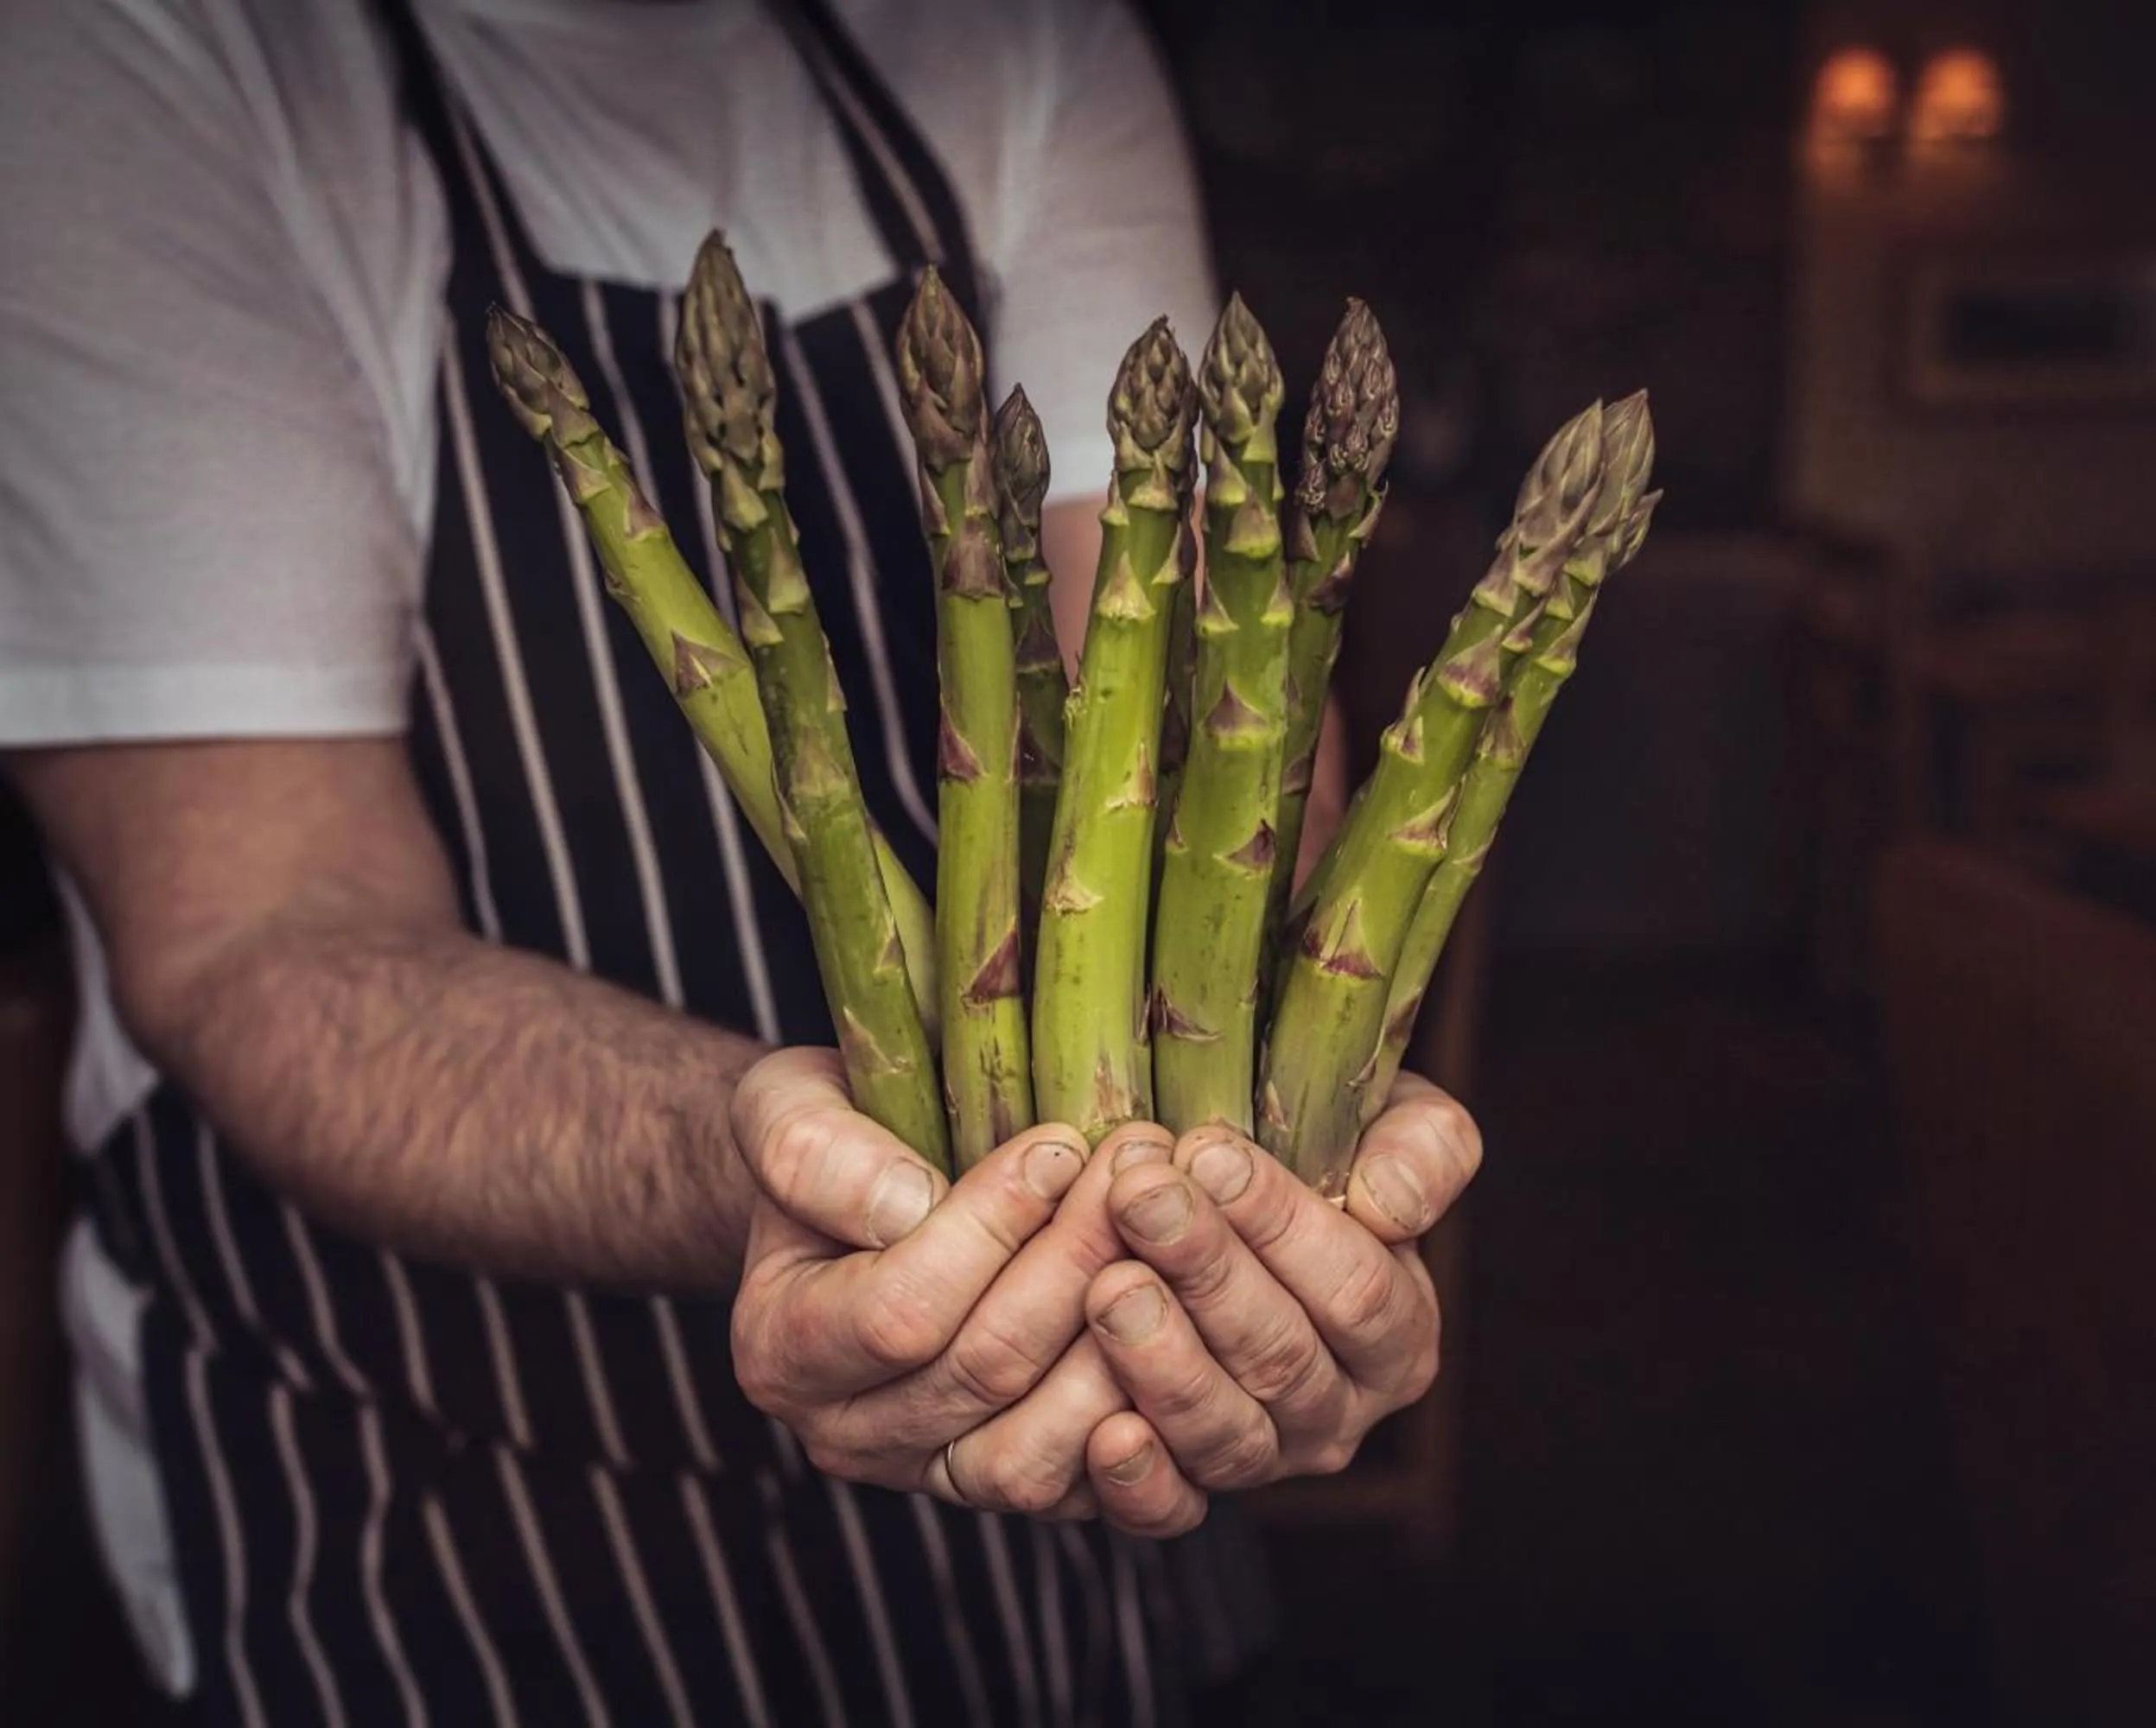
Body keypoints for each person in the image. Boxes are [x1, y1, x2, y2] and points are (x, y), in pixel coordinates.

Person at [0, 0, 1480, 1720]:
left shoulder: (1021, 41)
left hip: (1062, 1505)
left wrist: (1240, 1195)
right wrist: (795, 1172)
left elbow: (1203, 753)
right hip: (427, 1516)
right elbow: (265, 931)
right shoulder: (138, 46)